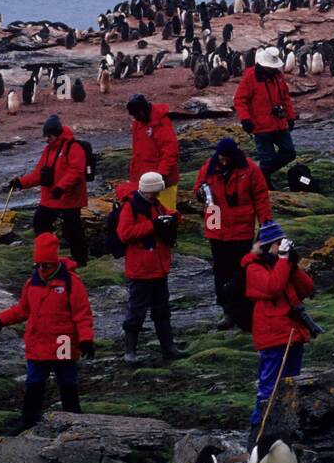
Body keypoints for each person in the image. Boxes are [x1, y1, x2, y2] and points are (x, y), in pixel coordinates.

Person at [0, 232, 94, 430]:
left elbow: (82, 314)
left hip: (63, 340)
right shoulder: (32, 283)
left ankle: (74, 420)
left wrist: (86, 339)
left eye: (45, 265)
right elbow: (23, 309)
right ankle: (28, 421)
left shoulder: (71, 282)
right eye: (38, 265)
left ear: (54, 262)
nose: (41, 269)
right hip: (38, 341)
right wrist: (1, 320)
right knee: (34, 382)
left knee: (67, 381)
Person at [241, 219, 315, 440]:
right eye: (277, 244)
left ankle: (286, 429)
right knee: (268, 387)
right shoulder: (253, 267)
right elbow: (272, 288)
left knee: (291, 384)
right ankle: (258, 433)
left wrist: (291, 265)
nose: (281, 247)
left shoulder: (280, 264)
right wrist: (283, 261)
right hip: (273, 334)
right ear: (267, 245)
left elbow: (307, 288)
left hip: (292, 332)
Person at [193, 136, 271, 330]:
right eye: (221, 157)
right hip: (216, 226)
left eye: (227, 157)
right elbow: (198, 189)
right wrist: (200, 194)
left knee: (243, 271)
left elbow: (261, 197)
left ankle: (244, 311)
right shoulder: (208, 169)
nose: (224, 160)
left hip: (241, 229)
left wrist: (265, 224)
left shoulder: (250, 169)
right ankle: (227, 311)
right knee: (221, 271)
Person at [116, 170, 187, 364]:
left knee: (162, 309)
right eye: (154, 192)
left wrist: (174, 218)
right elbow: (125, 234)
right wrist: (153, 225)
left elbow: (167, 214)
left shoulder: (154, 204)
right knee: (137, 311)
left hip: (158, 267)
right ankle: (130, 352)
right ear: (147, 190)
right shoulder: (131, 207)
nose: (156, 196)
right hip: (141, 269)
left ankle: (168, 347)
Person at [10, 114, 89, 265]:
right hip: (50, 197)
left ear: (57, 134)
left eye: (49, 136)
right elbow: (39, 173)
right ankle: (45, 257)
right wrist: (21, 182)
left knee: (73, 231)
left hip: (69, 198)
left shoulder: (74, 147)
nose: (46, 139)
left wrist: (61, 187)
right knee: (40, 222)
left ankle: (81, 260)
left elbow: (76, 171)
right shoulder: (49, 150)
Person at [232, 47, 296, 188]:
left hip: (279, 123)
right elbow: (239, 99)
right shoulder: (251, 77)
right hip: (261, 126)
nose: (272, 68)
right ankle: (264, 184)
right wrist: (245, 119)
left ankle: (260, 174)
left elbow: (285, 97)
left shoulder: (277, 76)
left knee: (289, 152)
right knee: (267, 158)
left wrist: (290, 117)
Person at [126, 94, 179, 211]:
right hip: (144, 181)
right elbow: (138, 153)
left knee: (166, 215)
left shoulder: (161, 122)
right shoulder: (138, 123)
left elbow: (170, 152)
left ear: (143, 110)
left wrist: (160, 176)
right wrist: (134, 176)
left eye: (136, 115)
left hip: (162, 182)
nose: (135, 118)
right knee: (146, 217)